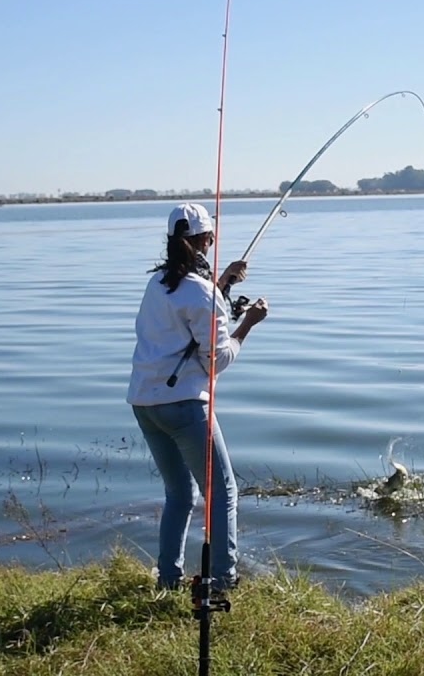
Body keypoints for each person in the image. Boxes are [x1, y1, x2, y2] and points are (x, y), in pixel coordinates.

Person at [127, 202, 268, 591]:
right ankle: (224, 580)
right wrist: (248, 325)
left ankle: (168, 580)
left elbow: (188, 313)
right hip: (185, 406)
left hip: (144, 403)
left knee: (179, 494)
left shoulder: (156, 284)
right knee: (222, 493)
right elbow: (217, 361)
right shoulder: (202, 293)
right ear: (207, 240)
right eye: (211, 237)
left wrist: (222, 285)